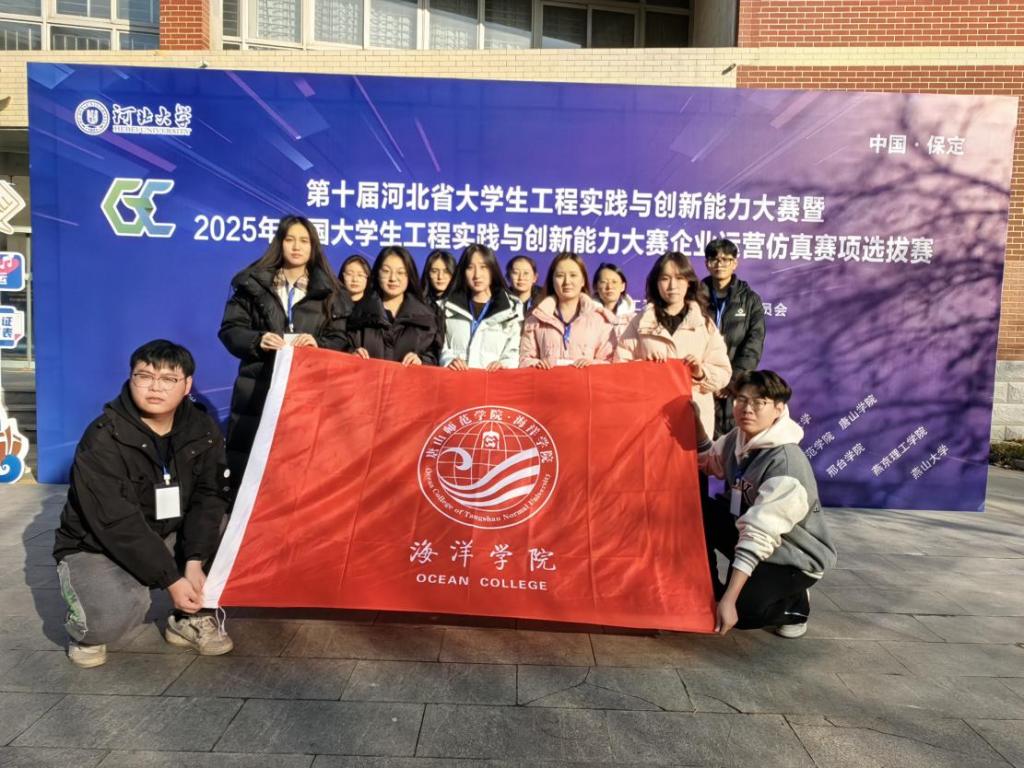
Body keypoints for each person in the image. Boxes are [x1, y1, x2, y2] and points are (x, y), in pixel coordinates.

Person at [52, 340, 234, 668]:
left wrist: (195, 559)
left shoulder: (203, 429)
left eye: (168, 379)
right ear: (131, 378)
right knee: (109, 620)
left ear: (187, 385)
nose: (155, 387)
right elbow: (115, 521)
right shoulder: (103, 438)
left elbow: (210, 496)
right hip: (98, 544)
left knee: (226, 526)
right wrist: (169, 578)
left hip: (167, 532)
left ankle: (187, 618)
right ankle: (84, 625)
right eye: (145, 376)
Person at [695, 370, 836, 638]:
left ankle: (795, 604)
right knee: (696, 512)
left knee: (742, 612)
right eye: (741, 399)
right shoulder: (738, 438)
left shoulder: (785, 464)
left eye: (759, 402)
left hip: (791, 555)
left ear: (778, 409)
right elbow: (709, 462)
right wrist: (695, 425)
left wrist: (730, 600)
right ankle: (711, 590)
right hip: (750, 530)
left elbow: (760, 533)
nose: (747, 408)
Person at [219, 216, 351, 481]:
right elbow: (231, 330)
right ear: (279, 243)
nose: (296, 247)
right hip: (258, 386)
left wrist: (318, 344)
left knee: (302, 470)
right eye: (290, 239)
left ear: (313, 247)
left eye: (304, 241)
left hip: (309, 390)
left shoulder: (331, 292)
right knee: (253, 468)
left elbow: (342, 338)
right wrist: (258, 340)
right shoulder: (252, 285)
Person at [616, 251, 731, 439]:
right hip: (650, 421)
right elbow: (619, 369)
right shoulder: (640, 323)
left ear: (689, 282)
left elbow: (723, 372)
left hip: (694, 422)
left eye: (679, 278)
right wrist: (643, 368)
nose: (672, 286)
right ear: (656, 283)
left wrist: (700, 373)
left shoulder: (704, 324)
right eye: (665, 279)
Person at [702, 239, 766, 438]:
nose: (719, 264)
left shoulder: (750, 300)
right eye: (714, 259)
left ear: (735, 263)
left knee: (732, 445)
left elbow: (753, 344)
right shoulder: (694, 298)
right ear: (707, 264)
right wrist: (706, 379)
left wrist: (731, 381)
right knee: (698, 443)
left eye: (726, 259)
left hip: (734, 388)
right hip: (702, 384)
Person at [520, 252, 617, 368]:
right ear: (552, 281)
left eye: (573, 275)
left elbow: (610, 362)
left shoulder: (600, 320)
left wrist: (592, 365)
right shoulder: (536, 319)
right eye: (560, 275)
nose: (567, 282)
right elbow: (524, 359)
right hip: (547, 380)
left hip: (587, 380)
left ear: (583, 281)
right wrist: (536, 365)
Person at [349, 245, 442, 366]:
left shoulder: (426, 318)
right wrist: (351, 355)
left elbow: (435, 355)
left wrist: (422, 361)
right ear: (377, 273)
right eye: (386, 271)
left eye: (400, 272)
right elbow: (344, 347)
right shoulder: (360, 314)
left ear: (409, 276)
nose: (393, 278)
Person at [441, 243, 521, 370]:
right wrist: (448, 360)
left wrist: (504, 365)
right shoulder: (447, 308)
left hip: (493, 381)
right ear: (463, 272)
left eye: (483, 267)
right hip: (456, 380)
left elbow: (513, 351)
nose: (477, 275)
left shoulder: (511, 311)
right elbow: (440, 345)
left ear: (492, 270)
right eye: (470, 268)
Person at [593, 262, 637, 334]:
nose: (609, 287)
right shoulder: (586, 316)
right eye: (604, 282)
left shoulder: (634, 319)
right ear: (595, 286)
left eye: (614, 282)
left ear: (623, 286)